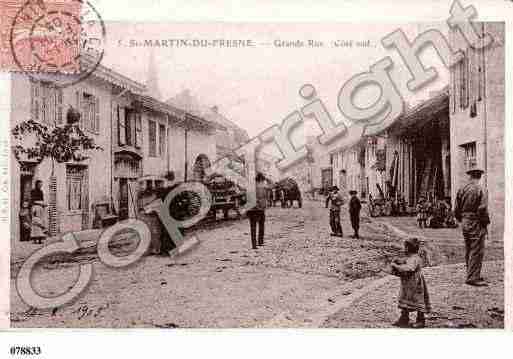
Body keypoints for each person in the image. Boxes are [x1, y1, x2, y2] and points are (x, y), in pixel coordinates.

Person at [454, 168, 489, 287]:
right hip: (476, 220)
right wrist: (484, 223)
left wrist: (462, 219)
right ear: (479, 176)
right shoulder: (480, 189)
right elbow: (482, 208)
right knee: (477, 249)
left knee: (469, 247)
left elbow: (456, 209)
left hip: (464, 220)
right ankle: (473, 277)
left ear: (470, 176)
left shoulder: (462, 189)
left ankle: (471, 273)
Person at [390, 237, 431, 328]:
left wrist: (395, 266)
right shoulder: (411, 257)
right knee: (405, 298)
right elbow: (406, 262)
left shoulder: (415, 258)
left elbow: (409, 268)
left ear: (408, 248)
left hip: (415, 284)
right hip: (408, 284)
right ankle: (404, 318)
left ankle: (421, 320)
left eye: (405, 247)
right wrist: (399, 261)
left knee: (418, 300)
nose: (404, 249)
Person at [247, 173, 267, 249]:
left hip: (253, 210)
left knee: (254, 227)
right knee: (260, 226)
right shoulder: (261, 188)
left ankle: (255, 244)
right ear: (260, 180)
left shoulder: (251, 188)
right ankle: (259, 242)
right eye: (262, 181)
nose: (262, 183)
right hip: (258, 210)